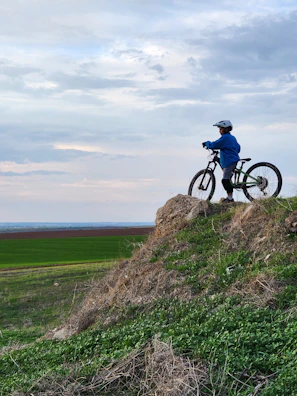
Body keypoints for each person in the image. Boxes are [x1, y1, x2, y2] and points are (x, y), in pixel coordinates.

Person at [202, 120, 240, 203]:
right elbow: (238, 148)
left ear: (225, 129)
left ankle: (230, 199)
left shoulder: (225, 138)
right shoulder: (232, 137)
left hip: (230, 161)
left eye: (220, 128)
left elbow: (214, 145)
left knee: (225, 180)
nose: (219, 130)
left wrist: (207, 143)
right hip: (232, 160)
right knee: (226, 175)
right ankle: (229, 196)